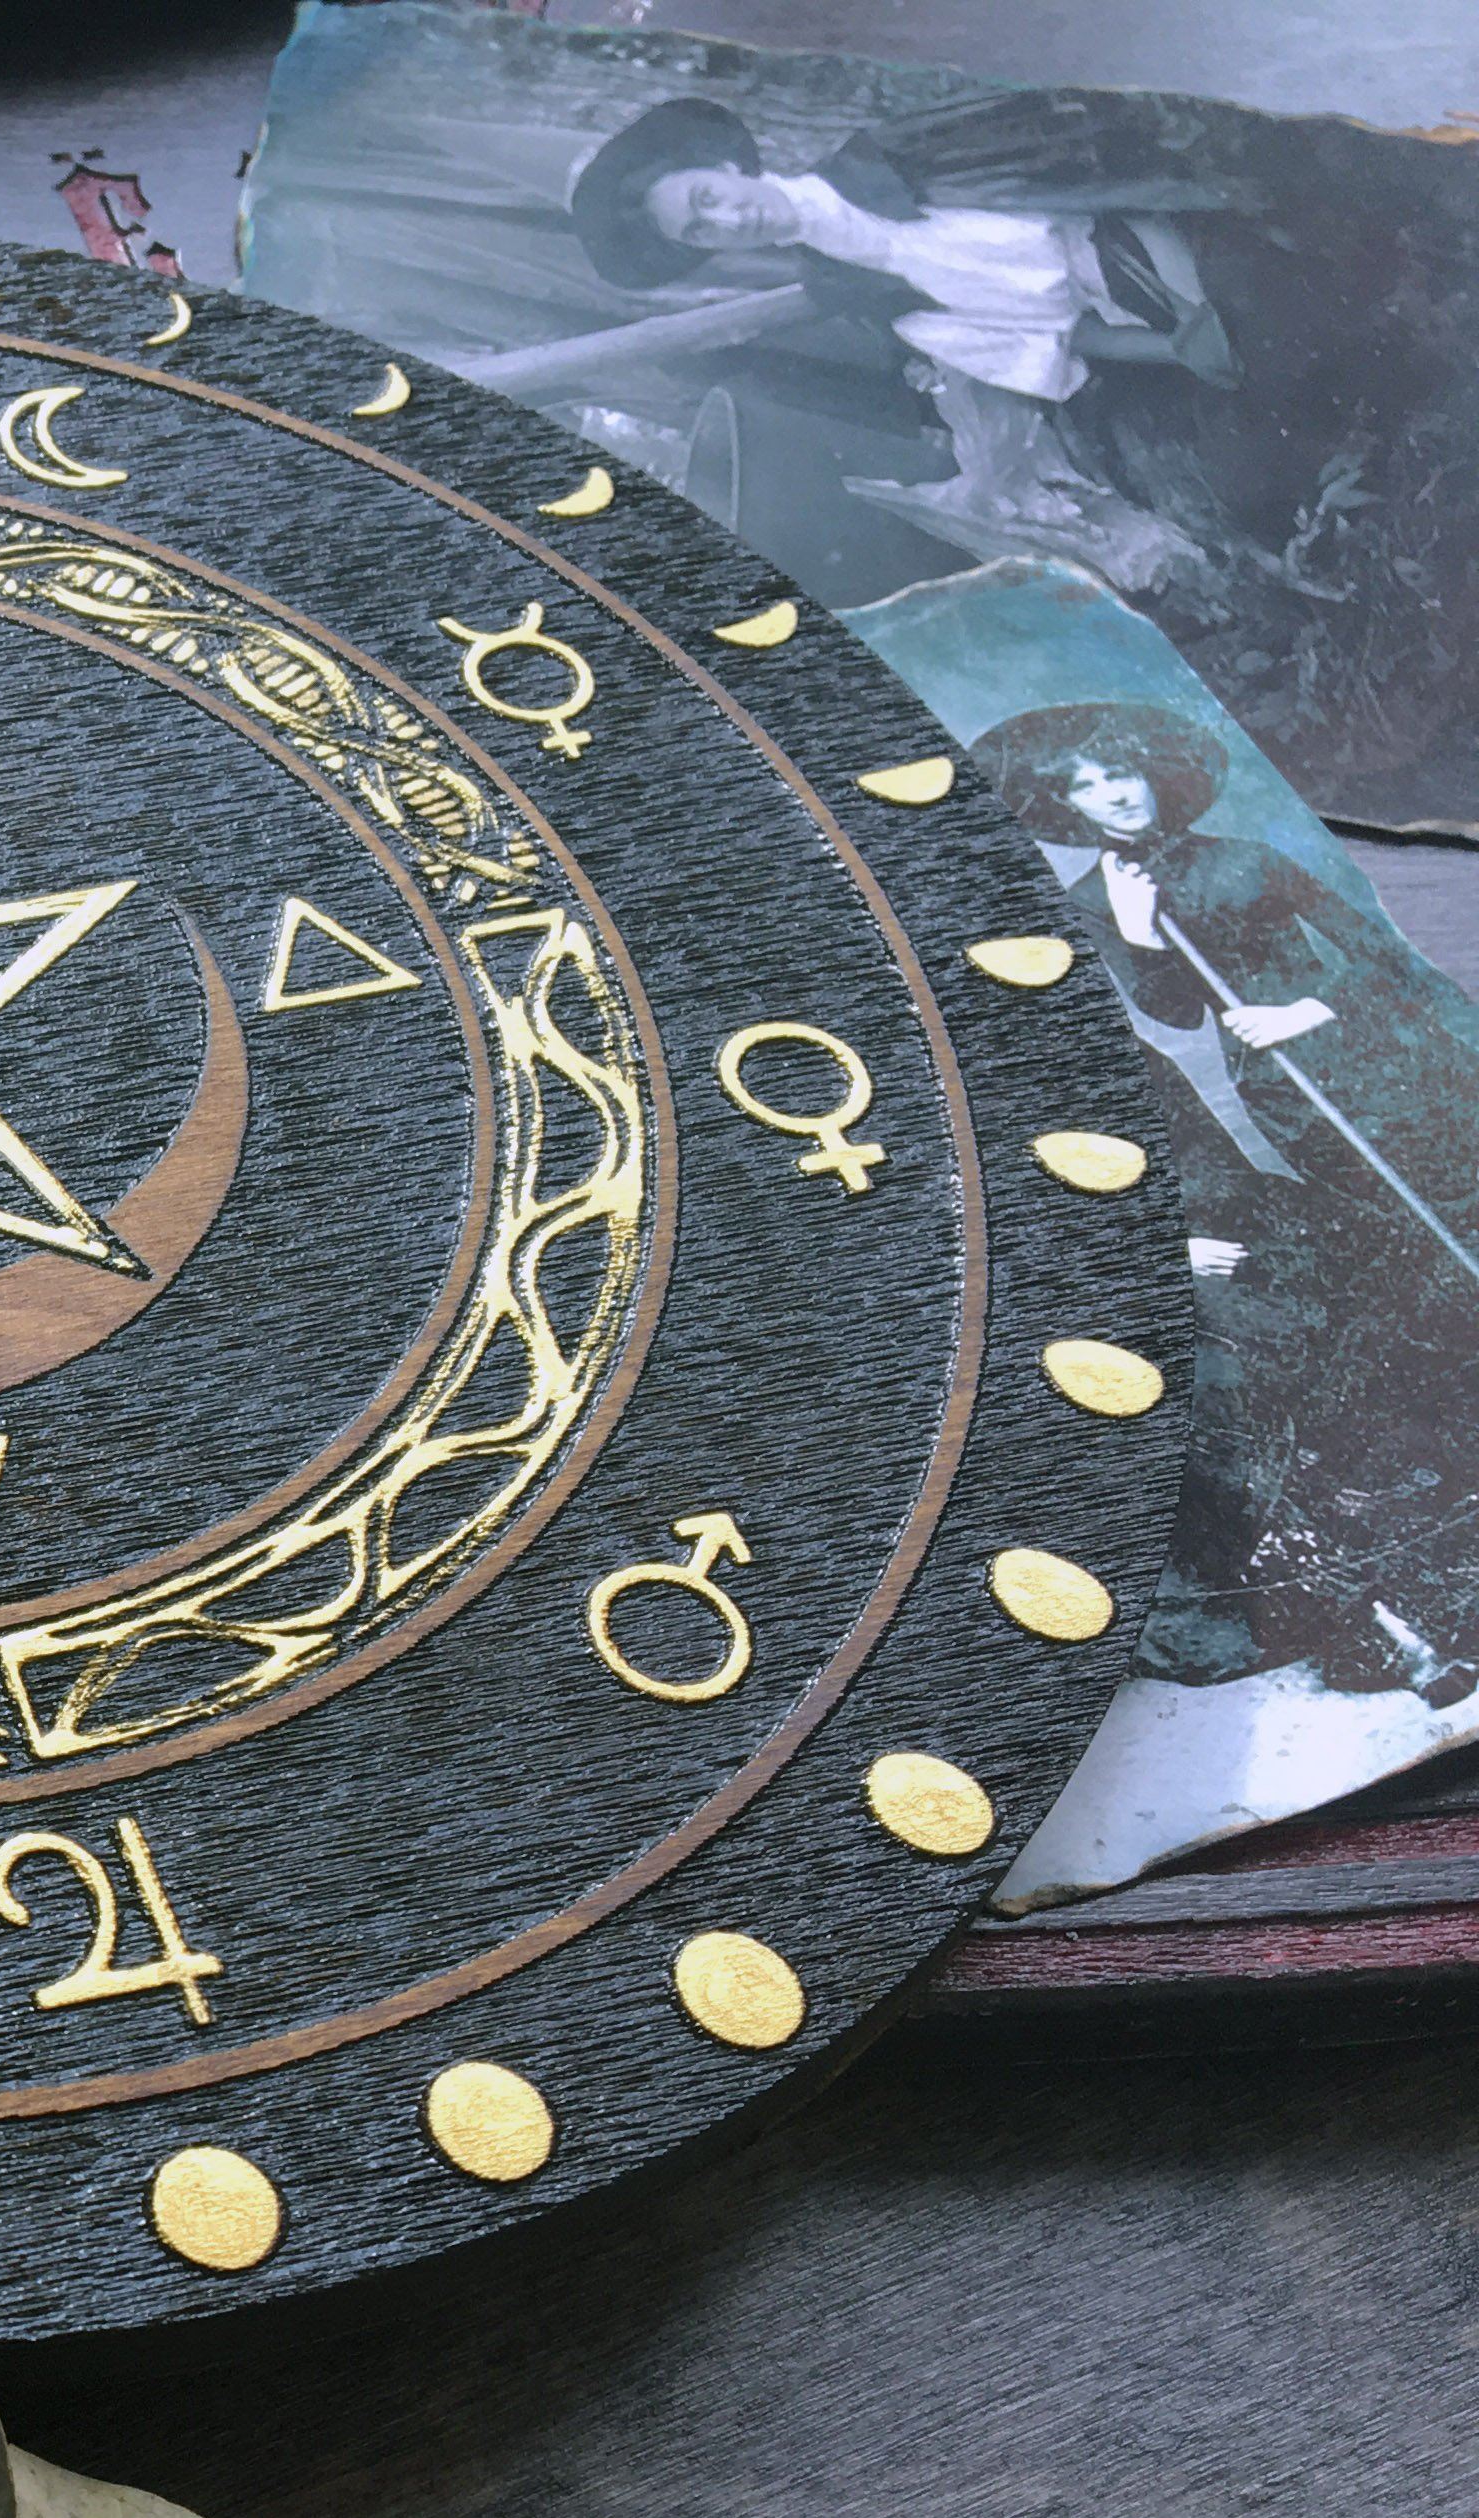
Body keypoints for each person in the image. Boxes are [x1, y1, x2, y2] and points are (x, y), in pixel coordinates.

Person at [971, 699, 1479, 1706]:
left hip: (1371, 1064)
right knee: (1383, 1262)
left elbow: (1386, 962)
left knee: (1443, 1216)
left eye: (1126, 771)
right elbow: (1170, 1008)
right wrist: (1129, 923)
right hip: (1288, 1102)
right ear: (1064, 801)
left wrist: (1306, 1008)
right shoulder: (1095, 898)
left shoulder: (1246, 859)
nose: (1118, 792)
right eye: (1088, 781)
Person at [566, 95, 1232, 589]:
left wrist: (1189, 298)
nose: (731, 219)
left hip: (1164, 237)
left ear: (723, 164)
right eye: (700, 232)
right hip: (1143, 320)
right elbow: (1061, 336)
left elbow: (1103, 178)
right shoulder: (857, 290)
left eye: (707, 197)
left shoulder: (889, 156)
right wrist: (1181, 348)